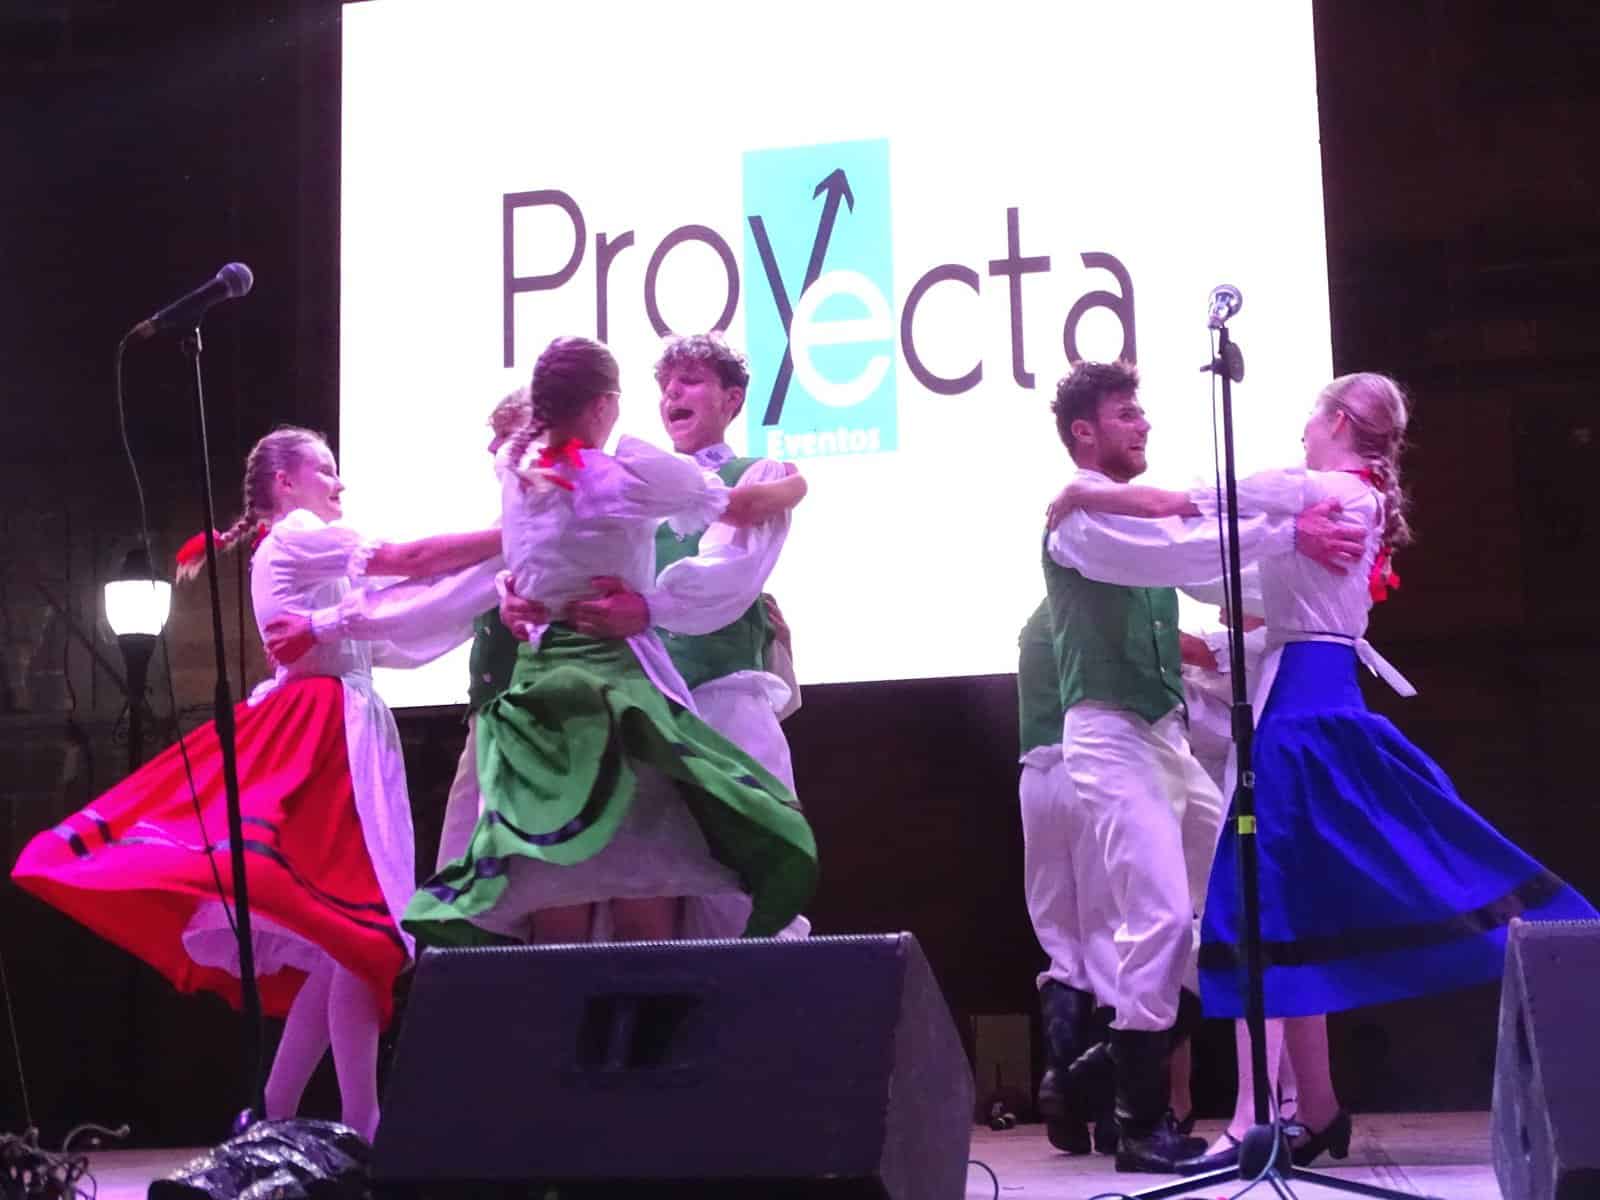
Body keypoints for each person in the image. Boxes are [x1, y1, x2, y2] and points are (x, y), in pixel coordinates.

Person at [1048, 370, 1600, 1170]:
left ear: (1339, 422)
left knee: (1259, 913)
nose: (1302, 430)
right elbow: (1226, 569)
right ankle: (1317, 1109)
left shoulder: (1326, 491)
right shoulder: (1346, 500)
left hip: (1304, 716)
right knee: (1295, 911)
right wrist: (1273, 549)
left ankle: (1251, 1118)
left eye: (1312, 416)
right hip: (1310, 701)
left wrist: (1078, 492)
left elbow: (1187, 505)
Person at [13, 426, 502, 1140]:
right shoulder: (298, 535)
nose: (339, 483)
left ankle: (279, 1111)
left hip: (345, 726)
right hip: (324, 733)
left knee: (345, 942)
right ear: (285, 483)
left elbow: (406, 607)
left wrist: (503, 562)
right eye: (325, 470)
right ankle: (360, 1124)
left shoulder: (310, 549)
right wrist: (515, 535)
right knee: (361, 934)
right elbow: (410, 562)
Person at [1040, 359, 1365, 1173]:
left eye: (1141, 410)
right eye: (1126, 413)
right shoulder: (1078, 521)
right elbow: (1178, 559)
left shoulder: (1130, 517)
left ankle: (1103, 1069)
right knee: (1157, 914)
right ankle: (1138, 1119)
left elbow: (1210, 570)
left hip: (1164, 737)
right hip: (1107, 735)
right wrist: (1286, 533)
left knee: (1236, 904)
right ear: (1085, 431)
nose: (1143, 422)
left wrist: (1307, 565)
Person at [401, 336, 818, 948]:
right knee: (599, 894)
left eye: (691, 380)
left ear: (732, 399)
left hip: (711, 698)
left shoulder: (740, 473)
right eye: (666, 383)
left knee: (736, 910)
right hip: (624, 706)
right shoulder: (615, 476)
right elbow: (527, 552)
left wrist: (648, 607)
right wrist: (515, 592)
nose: (673, 392)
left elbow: (731, 566)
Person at [1016, 599, 1120, 1155]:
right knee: (1110, 935)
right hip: (1091, 769)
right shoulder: (1101, 608)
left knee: (1062, 946)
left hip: (1036, 778)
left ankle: (1061, 1081)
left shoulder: (1035, 621)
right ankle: (1111, 1109)